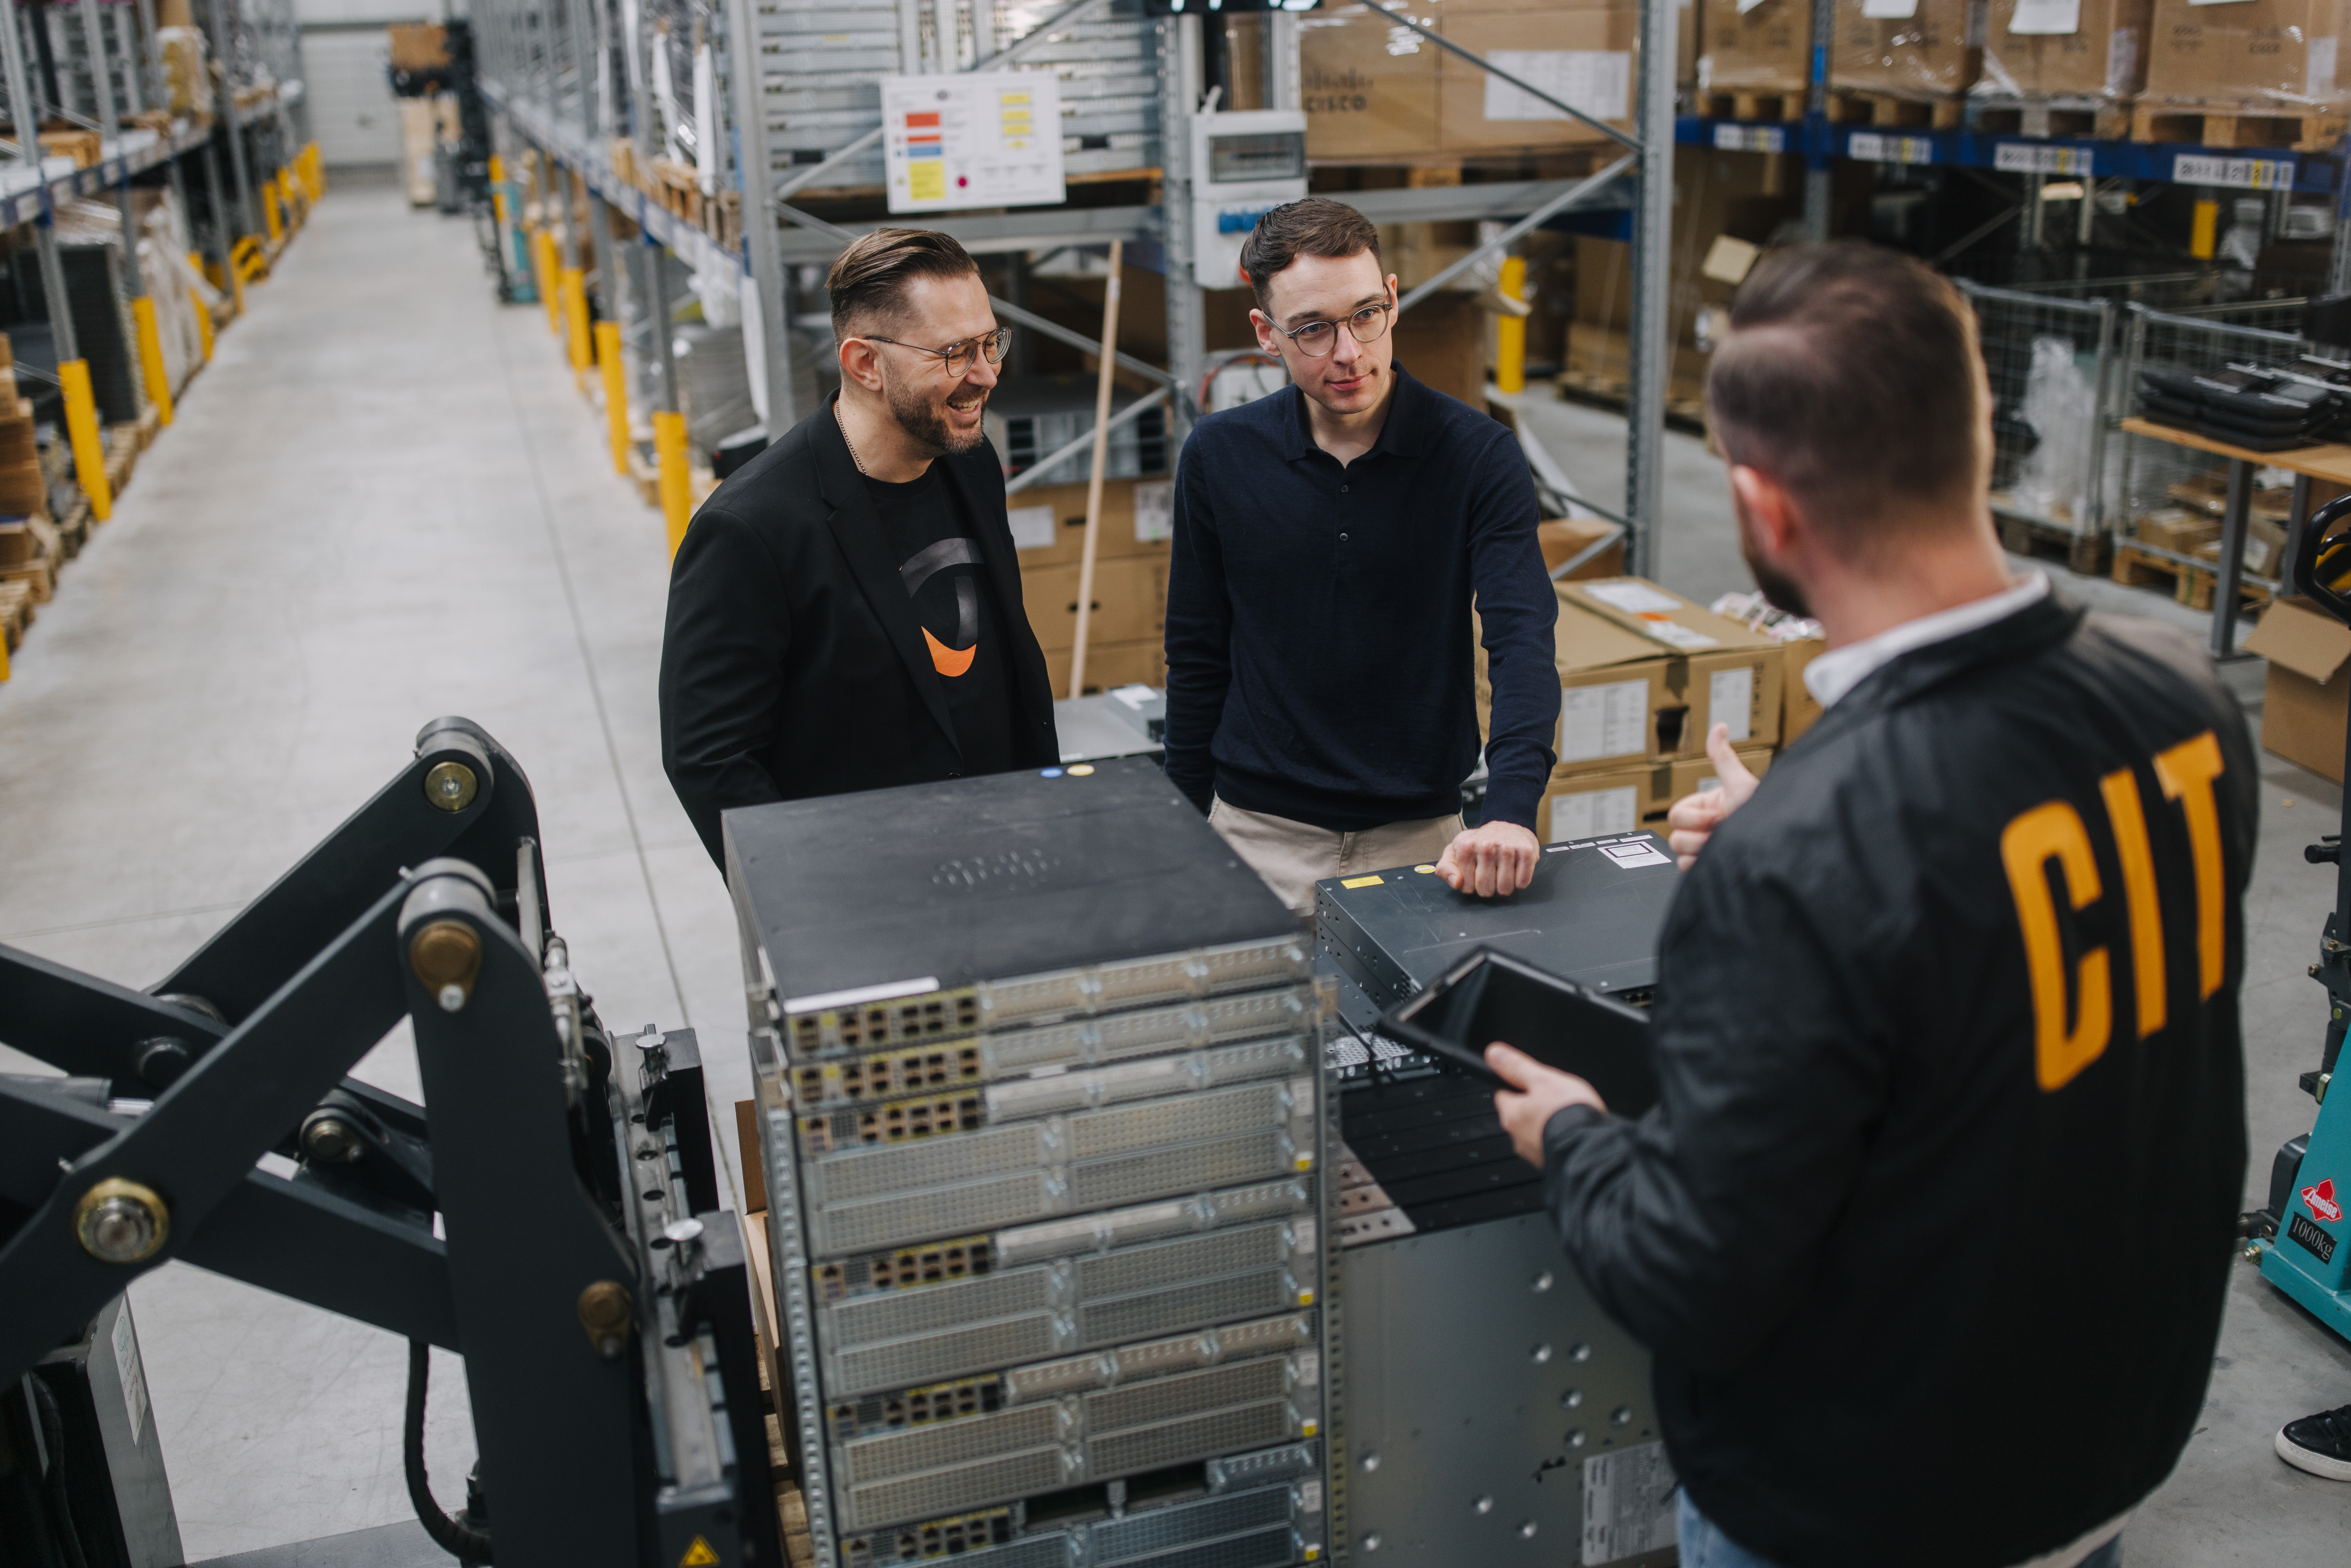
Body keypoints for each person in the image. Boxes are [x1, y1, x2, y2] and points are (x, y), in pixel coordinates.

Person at [1485, 242, 2255, 1568]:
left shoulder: (1805, 859)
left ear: (1763, 509)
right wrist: (1815, 821)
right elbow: (2023, 958)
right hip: (2101, 1455)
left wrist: (1575, 1139)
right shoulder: (2185, 705)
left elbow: (1692, 1275)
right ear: (1977, 437)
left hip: (1871, 1507)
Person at [1161, 197, 1561, 912]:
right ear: (1266, 333)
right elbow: (1196, 653)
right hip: (1255, 838)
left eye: (1366, 315)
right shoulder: (1219, 456)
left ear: (1394, 300)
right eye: (1313, 329)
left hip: (1423, 843)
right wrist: (1181, 829)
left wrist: (1509, 810)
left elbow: (1521, 642)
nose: (1349, 353)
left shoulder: (1477, 456)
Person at [659, 228, 1059, 869]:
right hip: (863, 885)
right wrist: (811, 899)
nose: (986, 375)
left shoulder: (970, 461)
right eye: (955, 353)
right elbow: (710, 760)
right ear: (865, 364)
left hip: (999, 850)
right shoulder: (751, 528)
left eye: (991, 343)